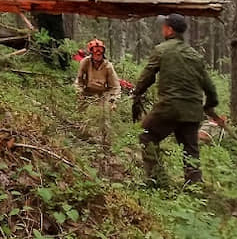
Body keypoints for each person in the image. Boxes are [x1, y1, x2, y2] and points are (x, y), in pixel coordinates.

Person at [131, 13, 224, 186]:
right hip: (193, 111)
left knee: (147, 135)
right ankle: (194, 187)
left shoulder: (162, 50)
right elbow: (210, 87)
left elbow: (147, 77)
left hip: (169, 107)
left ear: (169, 29)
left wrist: (137, 93)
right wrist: (209, 106)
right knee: (191, 151)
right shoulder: (195, 55)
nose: (162, 29)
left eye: (164, 26)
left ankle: (156, 179)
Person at [35, 0, 69, 69]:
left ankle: (64, 65)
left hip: (56, 17)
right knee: (44, 40)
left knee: (60, 41)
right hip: (44, 17)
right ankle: (48, 64)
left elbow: (67, 2)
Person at [75, 38, 121, 110]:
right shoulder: (85, 62)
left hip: (103, 94)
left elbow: (115, 86)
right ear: (91, 52)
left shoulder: (108, 66)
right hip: (87, 92)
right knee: (80, 110)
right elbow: (79, 80)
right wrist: (79, 91)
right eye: (95, 51)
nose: (98, 53)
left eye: (100, 51)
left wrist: (114, 99)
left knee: (104, 112)